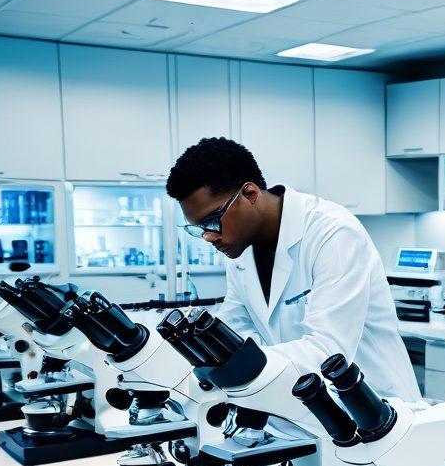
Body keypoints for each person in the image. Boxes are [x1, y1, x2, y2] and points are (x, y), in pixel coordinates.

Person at [166, 137, 419, 401]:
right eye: (198, 229)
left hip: (377, 409)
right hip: (301, 408)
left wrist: (237, 364)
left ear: (250, 194)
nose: (208, 236)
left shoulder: (332, 233)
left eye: (212, 221)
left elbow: (328, 352)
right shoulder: (240, 251)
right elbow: (235, 329)